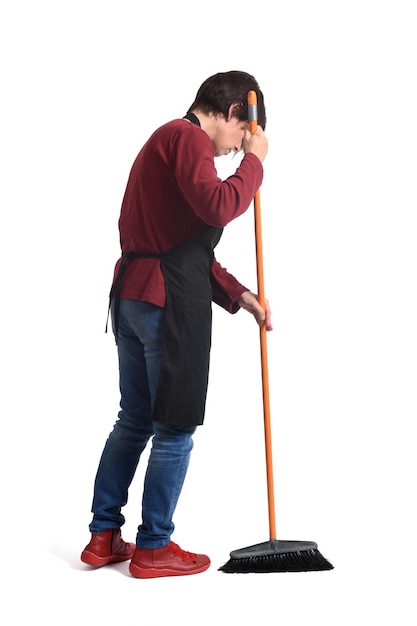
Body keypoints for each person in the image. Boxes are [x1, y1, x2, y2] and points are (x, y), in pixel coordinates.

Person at [81, 70, 271, 579]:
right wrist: (256, 161)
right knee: (174, 427)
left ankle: (103, 536)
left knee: (136, 419)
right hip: (165, 302)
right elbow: (220, 204)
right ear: (234, 114)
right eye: (238, 139)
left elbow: (186, 246)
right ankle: (153, 546)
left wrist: (241, 295)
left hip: (134, 296)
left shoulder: (168, 143)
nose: (233, 154)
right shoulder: (186, 137)